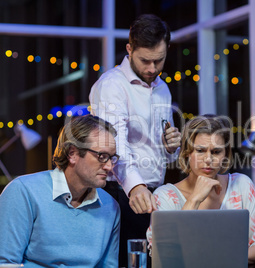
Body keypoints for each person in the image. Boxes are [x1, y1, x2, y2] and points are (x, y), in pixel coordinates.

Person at [89, 14, 181, 266]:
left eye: (159, 60)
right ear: (129, 49)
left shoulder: (163, 88)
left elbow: (163, 150)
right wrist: (135, 186)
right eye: (145, 61)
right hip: (117, 192)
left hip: (153, 192)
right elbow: (115, 144)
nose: (152, 68)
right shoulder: (112, 85)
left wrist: (171, 146)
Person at [146, 114, 255, 264]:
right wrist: (194, 199)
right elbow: (166, 255)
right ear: (187, 153)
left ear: (225, 154)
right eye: (200, 151)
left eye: (216, 152)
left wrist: (220, 259)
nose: (208, 159)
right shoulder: (165, 196)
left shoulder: (241, 185)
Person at [0, 115, 120, 267]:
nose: (109, 166)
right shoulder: (23, 191)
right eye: (102, 156)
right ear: (72, 154)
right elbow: (5, 263)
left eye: (112, 158)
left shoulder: (111, 207)